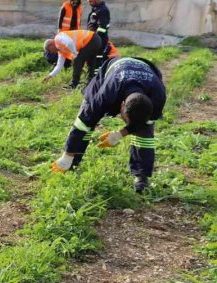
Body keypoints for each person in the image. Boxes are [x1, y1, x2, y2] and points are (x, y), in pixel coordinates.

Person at [51, 56, 166, 193]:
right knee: (89, 116)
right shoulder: (105, 95)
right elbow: (83, 123)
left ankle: (141, 177)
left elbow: (144, 122)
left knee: (145, 132)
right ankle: (72, 162)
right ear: (121, 106)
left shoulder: (158, 97)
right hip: (112, 68)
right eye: (126, 119)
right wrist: (67, 155)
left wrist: (120, 134)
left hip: (149, 69)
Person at [88, 0, 111, 66]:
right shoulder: (96, 9)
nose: (89, 2)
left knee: (97, 60)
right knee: (93, 59)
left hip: (99, 40)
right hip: (96, 39)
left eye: (90, 1)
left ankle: (97, 76)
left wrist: (95, 39)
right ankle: (93, 76)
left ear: (96, 0)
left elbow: (102, 27)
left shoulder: (102, 10)